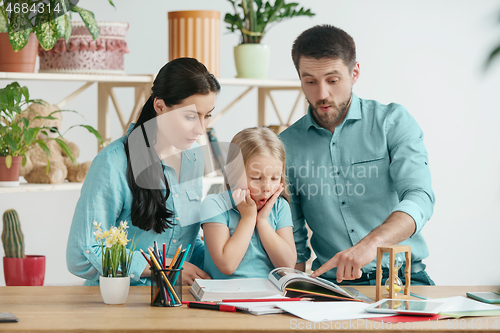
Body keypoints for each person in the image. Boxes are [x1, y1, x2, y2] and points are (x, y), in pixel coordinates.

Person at [279, 25, 435, 285]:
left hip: (404, 281)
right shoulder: (285, 146)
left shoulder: (392, 122)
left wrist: (369, 246)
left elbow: (420, 197)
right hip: (333, 287)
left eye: (333, 80)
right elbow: (294, 237)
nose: (322, 94)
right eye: (310, 81)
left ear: (354, 73)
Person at [66, 57, 220, 286]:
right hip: (122, 304)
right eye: (190, 116)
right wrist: (165, 266)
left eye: (207, 116)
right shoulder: (113, 162)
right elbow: (81, 254)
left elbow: (182, 241)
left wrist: (226, 252)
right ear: (160, 106)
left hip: (176, 301)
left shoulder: (194, 156)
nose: (200, 129)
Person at [201, 127, 297, 279]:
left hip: (268, 297)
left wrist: (263, 222)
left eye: (274, 178)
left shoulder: (280, 207)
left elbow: (287, 266)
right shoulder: (214, 205)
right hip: (224, 297)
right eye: (256, 178)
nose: (267, 188)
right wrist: (248, 218)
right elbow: (227, 265)